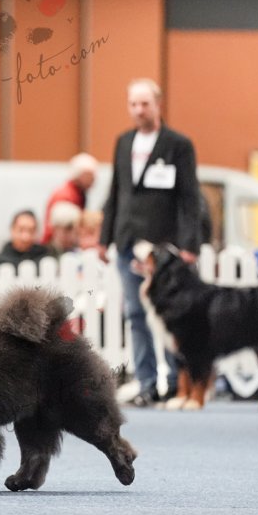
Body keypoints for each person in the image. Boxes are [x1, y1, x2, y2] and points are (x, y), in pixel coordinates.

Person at [99, 78, 201, 408]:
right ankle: (146, 383)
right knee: (135, 314)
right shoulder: (123, 141)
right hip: (128, 241)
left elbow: (190, 197)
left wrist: (189, 244)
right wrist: (104, 238)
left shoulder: (178, 144)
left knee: (172, 316)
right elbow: (115, 192)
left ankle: (173, 383)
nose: (138, 110)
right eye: (133, 104)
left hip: (164, 248)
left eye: (144, 104)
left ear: (158, 105)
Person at [43, 153, 97, 244]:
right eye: (90, 176)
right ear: (80, 175)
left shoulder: (79, 193)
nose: (93, 180)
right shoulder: (66, 195)